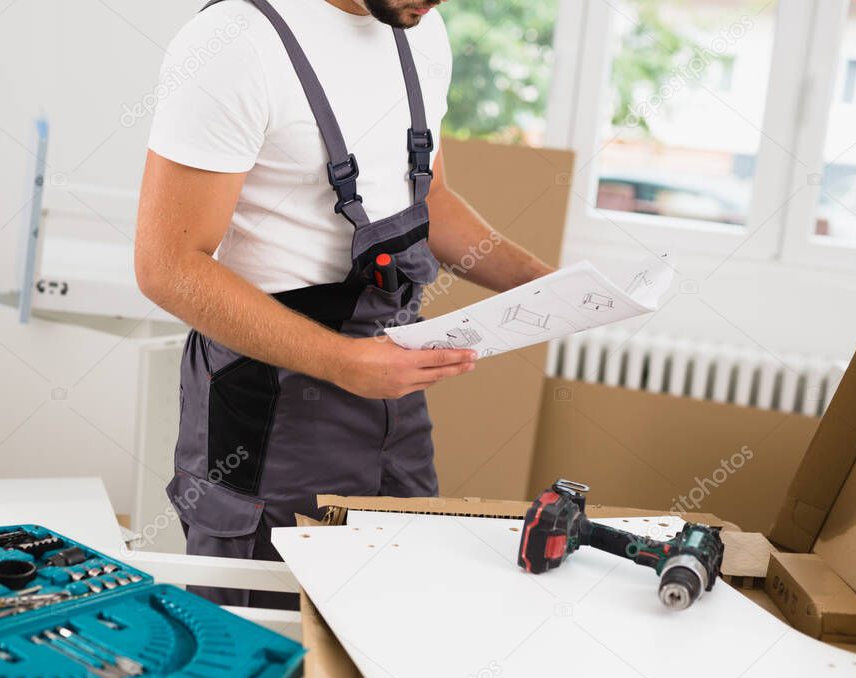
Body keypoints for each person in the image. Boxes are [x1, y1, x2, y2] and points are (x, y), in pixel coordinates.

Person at [135, 0, 554, 608]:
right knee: (268, 629)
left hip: (391, 398)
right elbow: (166, 268)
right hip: (268, 408)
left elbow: (428, 195)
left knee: (390, 614)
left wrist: (541, 281)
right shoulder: (235, 44)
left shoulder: (420, 31)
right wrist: (341, 362)